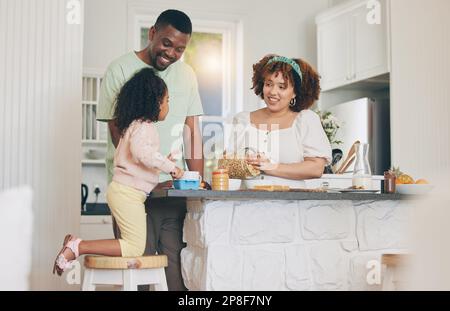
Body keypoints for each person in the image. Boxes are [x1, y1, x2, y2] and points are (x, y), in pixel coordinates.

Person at [96, 10, 204, 290]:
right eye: (167, 43)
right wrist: (155, 175)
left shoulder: (188, 75)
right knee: (139, 267)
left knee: (176, 269)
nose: (171, 53)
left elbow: (192, 132)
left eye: (180, 48)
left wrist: (196, 184)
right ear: (152, 33)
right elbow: (119, 135)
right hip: (132, 193)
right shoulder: (118, 69)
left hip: (172, 191)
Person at [54, 68, 184, 275]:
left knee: (132, 244)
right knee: (134, 246)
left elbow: (141, 157)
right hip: (128, 194)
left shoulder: (135, 126)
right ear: (155, 101)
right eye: (167, 100)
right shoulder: (144, 126)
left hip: (124, 192)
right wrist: (172, 168)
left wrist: (163, 163)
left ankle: (77, 245)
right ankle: (78, 246)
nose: (168, 105)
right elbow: (142, 152)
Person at [229, 55, 332, 187]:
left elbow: (316, 169)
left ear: (295, 92)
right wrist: (245, 164)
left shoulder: (305, 120)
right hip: (248, 204)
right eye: (268, 84)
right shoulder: (242, 120)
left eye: (282, 87)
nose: (273, 92)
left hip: (291, 204)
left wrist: (270, 166)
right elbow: (229, 168)